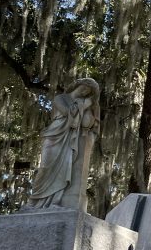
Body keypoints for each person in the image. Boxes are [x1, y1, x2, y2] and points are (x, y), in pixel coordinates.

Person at [26, 78, 100, 211]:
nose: (84, 92)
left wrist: (89, 109)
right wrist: (84, 105)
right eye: (83, 88)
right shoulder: (61, 98)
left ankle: (56, 201)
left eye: (87, 92)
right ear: (77, 85)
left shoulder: (84, 103)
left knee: (65, 169)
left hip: (70, 137)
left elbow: (87, 124)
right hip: (55, 134)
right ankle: (34, 201)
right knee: (45, 168)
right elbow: (67, 112)